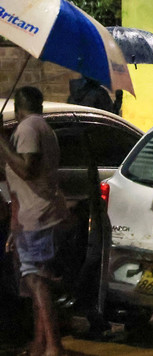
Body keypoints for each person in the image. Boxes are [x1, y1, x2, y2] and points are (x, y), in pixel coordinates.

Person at [0, 86, 69, 356]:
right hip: (36, 217)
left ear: (18, 108)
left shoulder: (29, 128)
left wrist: (2, 142)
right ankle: (41, 343)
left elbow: (28, 169)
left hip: (39, 219)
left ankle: (53, 345)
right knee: (37, 281)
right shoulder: (42, 128)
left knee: (37, 283)